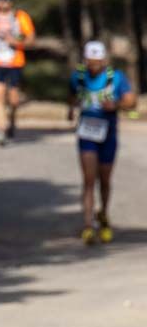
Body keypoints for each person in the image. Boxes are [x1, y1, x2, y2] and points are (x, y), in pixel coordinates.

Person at [68, 40, 135, 244]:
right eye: (91, 62)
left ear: (104, 61)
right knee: (89, 180)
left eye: (98, 62)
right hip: (87, 133)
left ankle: (103, 215)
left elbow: (131, 101)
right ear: (86, 61)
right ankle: (88, 225)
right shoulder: (78, 77)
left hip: (108, 134)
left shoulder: (116, 78)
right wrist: (72, 108)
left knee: (104, 180)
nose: (94, 66)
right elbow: (71, 97)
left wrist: (115, 104)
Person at [0, 0, 35, 145]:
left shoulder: (21, 17)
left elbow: (31, 39)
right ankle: (1, 130)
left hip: (15, 61)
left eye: (6, 0)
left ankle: (12, 120)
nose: (3, 2)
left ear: (11, 2)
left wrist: (16, 41)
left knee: (13, 99)